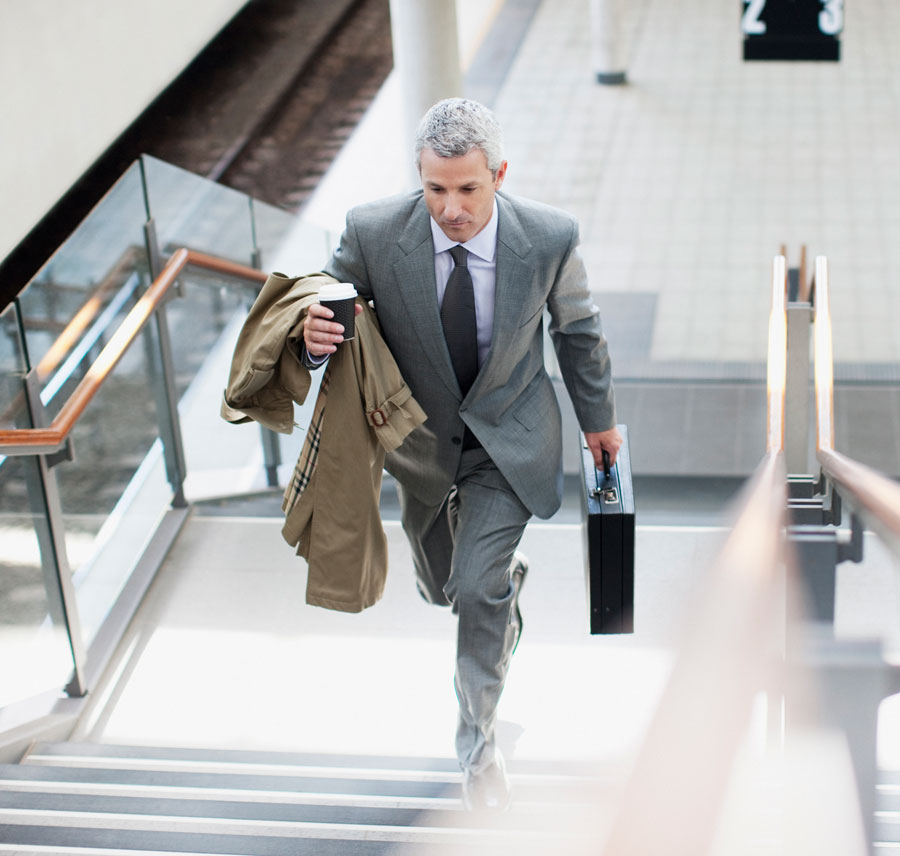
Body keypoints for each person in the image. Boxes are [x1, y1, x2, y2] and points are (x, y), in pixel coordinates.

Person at [303, 98, 621, 811]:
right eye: (435, 188)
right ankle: (497, 583)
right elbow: (326, 298)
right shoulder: (375, 231)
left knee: (477, 589)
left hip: (509, 442)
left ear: (499, 174)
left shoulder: (548, 238)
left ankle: (476, 743)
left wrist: (599, 422)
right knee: (444, 587)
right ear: (419, 177)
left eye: (467, 189)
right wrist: (310, 334)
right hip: (420, 448)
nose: (450, 208)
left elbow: (578, 331)